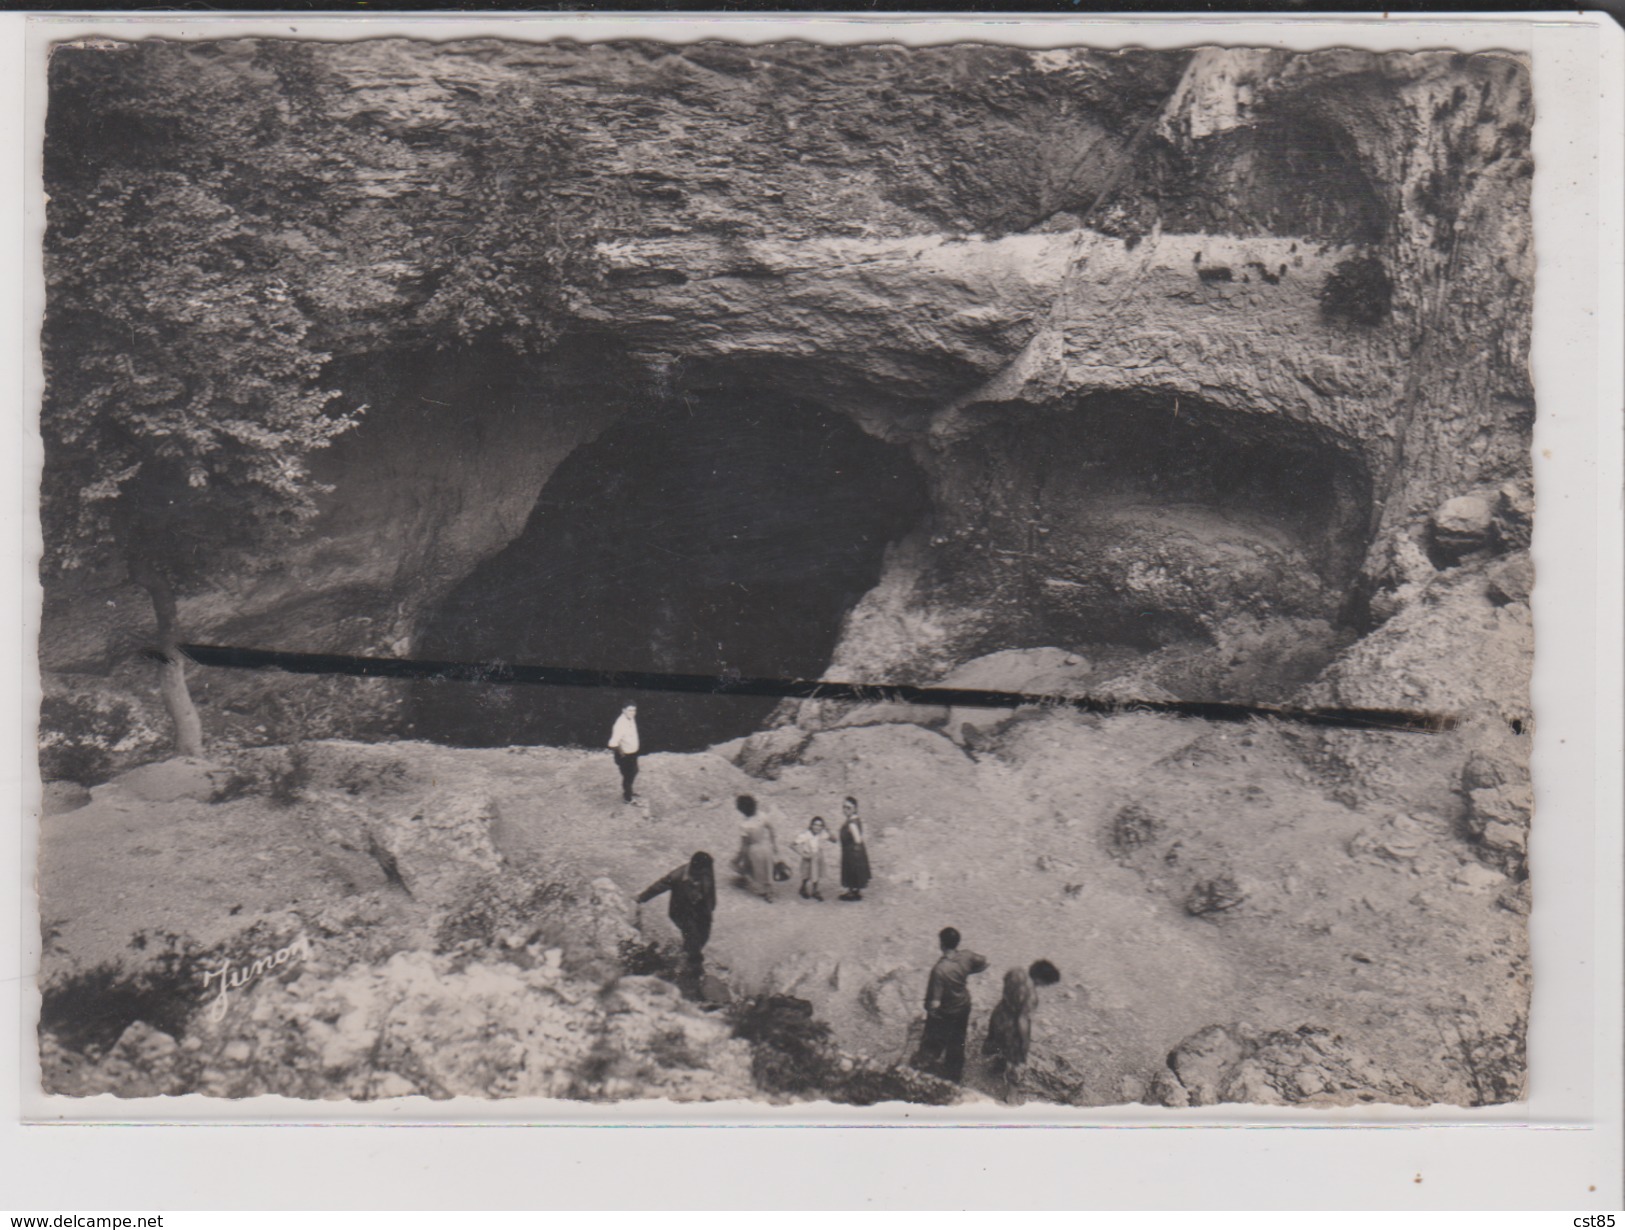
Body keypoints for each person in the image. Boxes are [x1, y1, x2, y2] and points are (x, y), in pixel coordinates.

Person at [911, 926, 987, 1083]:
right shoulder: (967, 956)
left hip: (946, 1011)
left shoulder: (939, 970)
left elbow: (935, 1002)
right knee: (957, 1040)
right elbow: (984, 963)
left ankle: (924, 1068)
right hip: (964, 1005)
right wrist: (966, 972)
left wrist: (929, 1011)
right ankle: (954, 1074)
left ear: (941, 944)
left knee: (932, 1041)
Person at [982, 959, 1062, 1099]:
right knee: (1016, 1061)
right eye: (1046, 983)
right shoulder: (1031, 997)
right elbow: (1022, 1020)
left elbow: (1005, 981)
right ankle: (1011, 1095)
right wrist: (1025, 1043)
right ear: (1041, 979)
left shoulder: (1015, 972)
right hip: (1011, 1026)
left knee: (995, 1042)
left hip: (999, 1014)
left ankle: (994, 1068)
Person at [636, 852, 717, 971]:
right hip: (681, 912)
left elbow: (711, 892)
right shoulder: (677, 876)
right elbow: (658, 887)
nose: (707, 873)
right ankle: (691, 965)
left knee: (702, 938)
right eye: (704, 872)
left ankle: (686, 953)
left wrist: (710, 906)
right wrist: (641, 898)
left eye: (708, 871)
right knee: (692, 936)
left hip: (702, 912)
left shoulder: (707, 872)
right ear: (695, 869)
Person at [730, 794, 779, 902]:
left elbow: (744, 845)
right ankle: (770, 891)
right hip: (766, 846)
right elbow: (771, 829)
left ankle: (761, 889)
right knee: (768, 868)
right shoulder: (763, 816)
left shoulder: (744, 825)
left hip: (754, 850)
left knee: (756, 870)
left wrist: (737, 858)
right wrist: (774, 844)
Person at [790, 816, 836, 901]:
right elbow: (792, 845)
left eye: (820, 825)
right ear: (811, 825)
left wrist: (828, 830)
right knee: (806, 874)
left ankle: (815, 891)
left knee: (816, 873)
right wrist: (802, 854)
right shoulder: (805, 835)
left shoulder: (822, 833)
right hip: (808, 856)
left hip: (818, 856)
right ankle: (803, 888)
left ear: (822, 827)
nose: (817, 827)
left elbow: (834, 840)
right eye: (815, 825)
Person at [837, 796, 871, 902]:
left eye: (849, 808)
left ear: (855, 808)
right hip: (853, 850)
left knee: (851, 870)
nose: (846, 810)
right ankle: (854, 890)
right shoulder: (854, 820)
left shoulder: (851, 823)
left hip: (852, 852)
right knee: (852, 871)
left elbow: (857, 839)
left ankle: (853, 892)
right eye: (844, 807)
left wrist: (853, 851)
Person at [608, 703, 640, 803]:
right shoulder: (620, 724)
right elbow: (613, 743)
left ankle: (629, 791)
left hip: (632, 753)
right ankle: (628, 798)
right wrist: (622, 754)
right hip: (626, 755)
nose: (632, 713)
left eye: (634, 710)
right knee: (628, 776)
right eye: (630, 710)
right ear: (623, 710)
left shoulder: (630, 718)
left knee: (633, 772)